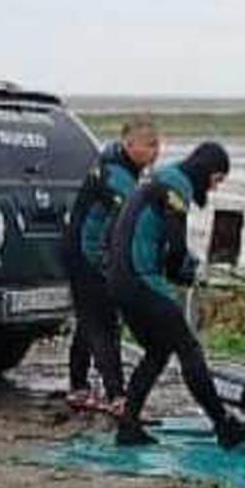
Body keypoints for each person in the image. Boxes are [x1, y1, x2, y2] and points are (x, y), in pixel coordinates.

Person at [105, 141, 245, 449]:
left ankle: (128, 426)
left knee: (157, 351)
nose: (215, 188)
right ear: (206, 171)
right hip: (140, 279)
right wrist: (183, 270)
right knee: (189, 349)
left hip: (120, 279)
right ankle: (224, 427)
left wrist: (179, 266)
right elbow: (176, 247)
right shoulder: (176, 187)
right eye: (216, 180)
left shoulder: (164, 177)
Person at [62, 117, 158, 413]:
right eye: (150, 145)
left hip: (90, 254)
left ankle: (78, 387)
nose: (157, 151)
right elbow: (131, 226)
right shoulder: (116, 177)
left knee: (88, 323)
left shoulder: (122, 168)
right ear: (129, 145)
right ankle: (117, 395)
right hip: (85, 256)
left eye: (159, 144)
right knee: (103, 325)